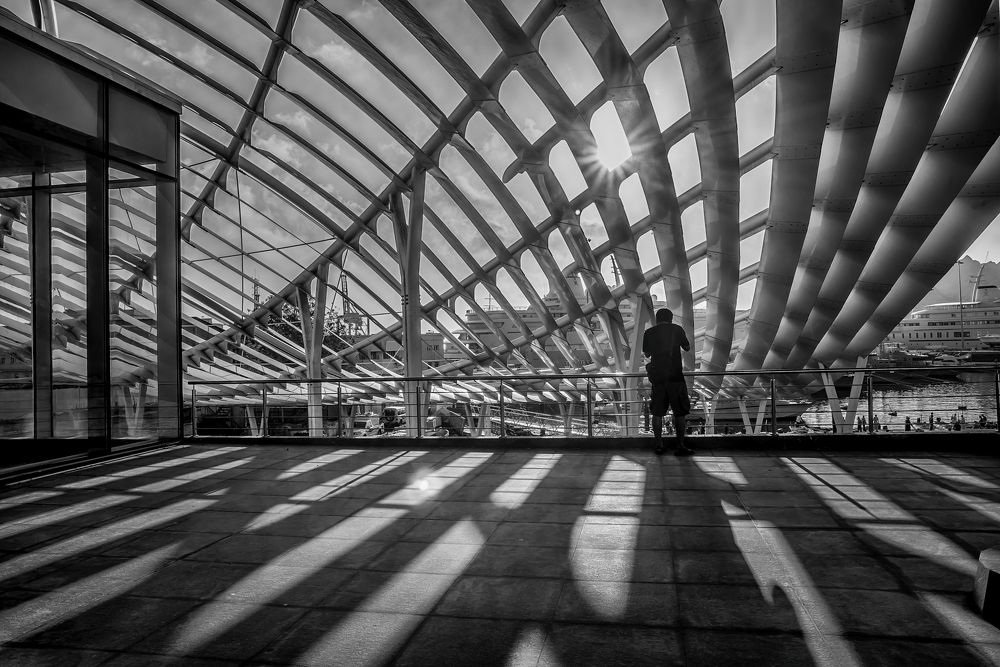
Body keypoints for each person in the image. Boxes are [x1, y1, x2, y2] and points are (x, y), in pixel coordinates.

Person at [642, 308, 692, 456]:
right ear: (670, 318)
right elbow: (687, 348)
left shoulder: (649, 332)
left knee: (657, 413)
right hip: (676, 377)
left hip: (658, 379)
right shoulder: (677, 329)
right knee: (680, 413)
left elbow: (647, 353)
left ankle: (659, 445)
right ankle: (681, 446)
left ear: (657, 319)